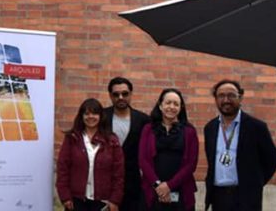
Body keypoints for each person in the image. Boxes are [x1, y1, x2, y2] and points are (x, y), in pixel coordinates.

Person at [203, 79, 276, 211]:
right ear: (215, 99)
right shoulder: (210, 128)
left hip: (246, 198)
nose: (226, 100)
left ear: (241, 97)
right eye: (221, 95)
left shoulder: (257, 127)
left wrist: (256, 183)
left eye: (231, 95)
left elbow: (272, 159)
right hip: (218, 197)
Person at [56, 98, 124, 211]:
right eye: (86, 113)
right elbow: (63, 168)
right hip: (75, 201)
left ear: (101, 116)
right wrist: (65, 196)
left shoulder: (112, 140)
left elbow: (119, 173)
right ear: (81, 116)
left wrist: (115, 199)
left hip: (103, 201)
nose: (90, 117)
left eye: (94, 113)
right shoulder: (72, 138)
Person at [138, 88, 198, 211]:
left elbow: (191, 164)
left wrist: (169, 186)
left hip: (181, 190)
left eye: (176, 104)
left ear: (181, 108)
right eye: (168, 102)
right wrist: (158, 186)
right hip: (153, 190)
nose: (171, 107)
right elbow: (143, 160)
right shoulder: (148, 129)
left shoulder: (189, 131)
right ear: (160, 106)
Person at [103, 77, 150, 211]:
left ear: (131, 94)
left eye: (125, 93)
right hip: (106, 181)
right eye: (116, 94)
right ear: (110, 96)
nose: (121, 97)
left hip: (133, 183)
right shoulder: (102, 117)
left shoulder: (143, 120)